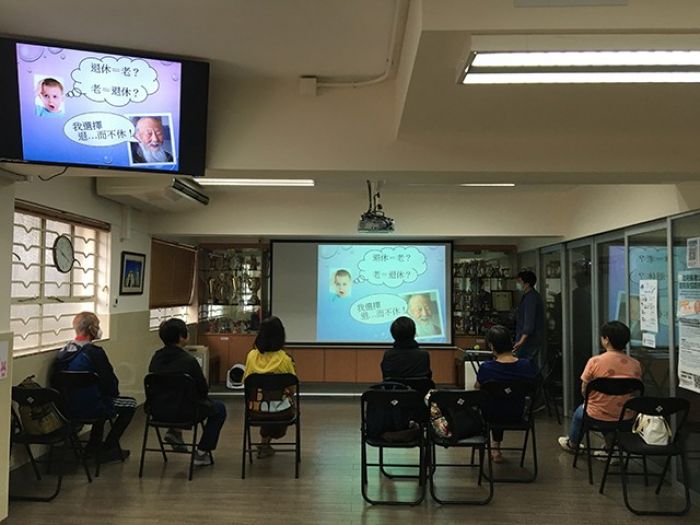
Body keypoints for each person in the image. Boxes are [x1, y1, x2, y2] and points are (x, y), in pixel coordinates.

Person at [52, 312, 135, 462]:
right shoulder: (95, 353)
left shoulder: (62, 353)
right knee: (130, 405)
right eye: (97, 325)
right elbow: (110, 384)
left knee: (97, 396)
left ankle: (93, 446)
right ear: (92, 328)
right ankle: (108, 447)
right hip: (95, 407)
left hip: (65, 408)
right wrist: (112, 393)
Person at [149, 318, 227, 467]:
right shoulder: (189, 361)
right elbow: (203, 390)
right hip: (185, 412)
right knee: (219, 409)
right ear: (181, 336)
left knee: (177, 399)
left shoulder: (156, 358)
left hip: (157, 411)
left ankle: (175, 431)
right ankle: (201, 453)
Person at [558, 321, 642, 458]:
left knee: (581, 413)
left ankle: (573, 444)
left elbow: (584, 389)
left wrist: (593, 401)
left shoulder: (595, 361)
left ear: (606, 339)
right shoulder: (635, 364)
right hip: (625, 415)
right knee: (610, 413)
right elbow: (636, 392)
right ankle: (610, 449)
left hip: (597, 413)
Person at [476, 325, 537, 463]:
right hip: (518, 414)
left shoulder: (487, 368)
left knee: (494, 402)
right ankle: (496, 447)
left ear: (491, 346)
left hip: (492, 416)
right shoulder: (526, 365)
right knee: (505, 400)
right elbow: (532, 386)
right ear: (511, 342)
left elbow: (478, 388)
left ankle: (494, 448)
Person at [243, 316, 297, 459]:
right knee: (276, 401)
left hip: (255, 411)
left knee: (266, 401)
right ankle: (265, 444)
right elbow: (292, 390)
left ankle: (264, 444)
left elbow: (246, 384)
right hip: (282, 412)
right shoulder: (285, 359)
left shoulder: (251, 356)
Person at [381, 316, 432, 381]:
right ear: (414, 332)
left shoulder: (388, 355)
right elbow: (428, 378)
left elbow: (386, 379)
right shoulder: (423, 355)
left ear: (393, 334)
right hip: (418, 388)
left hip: (394, 388)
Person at [513, 270, 545, 360]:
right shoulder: (528, 296)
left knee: (525, 363)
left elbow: (529, 323)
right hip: (527, 339)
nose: (518, 284)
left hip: (528, 341)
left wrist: (521, 341)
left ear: (527, 284)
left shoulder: (531, 298)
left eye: (519, 282)